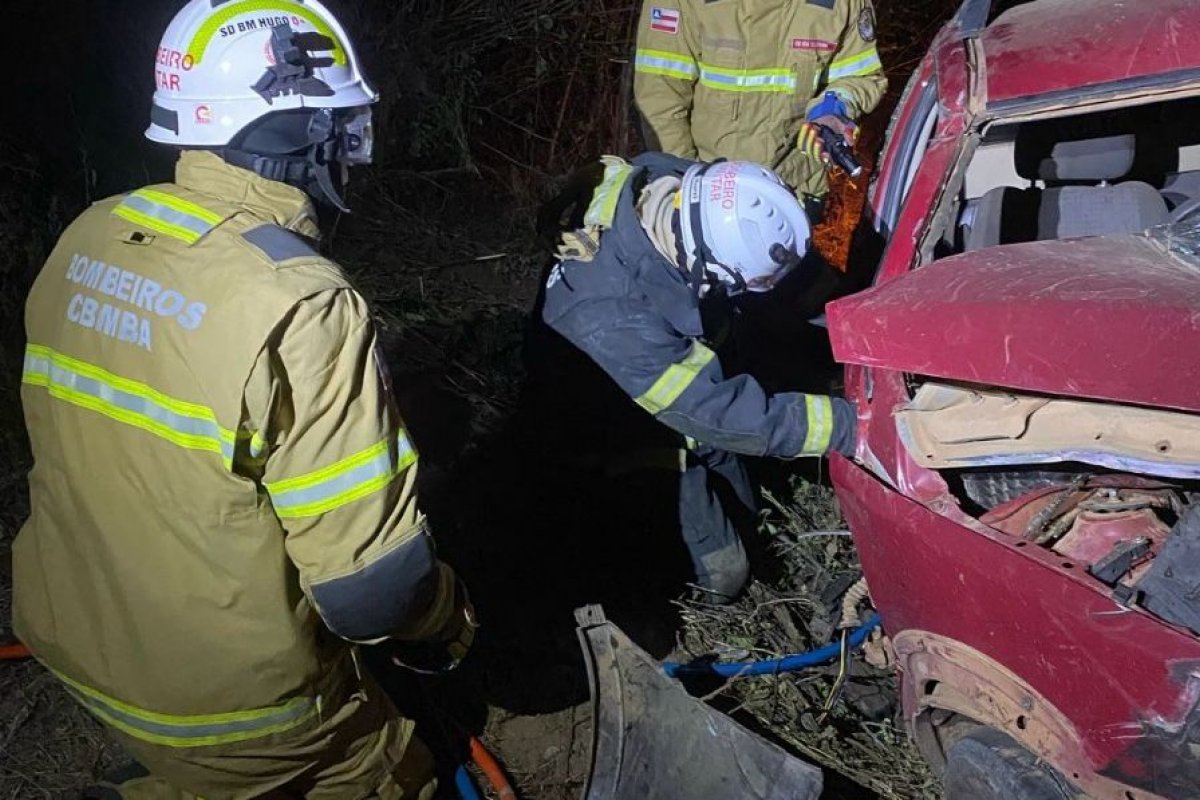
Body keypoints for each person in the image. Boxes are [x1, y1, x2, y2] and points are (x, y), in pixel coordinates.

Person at [12, 2, 473, 797]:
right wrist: (446, 624)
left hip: (75, 642)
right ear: (297, 134)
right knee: (389, 777)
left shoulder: (90, 236)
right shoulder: (300, 302)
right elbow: (372, 594)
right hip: (234, 707)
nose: (356, 159)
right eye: (346, 131)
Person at [538, 153, 857, 603]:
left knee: (745, 504)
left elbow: (797, 285)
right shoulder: (609, 315)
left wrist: (862, 327)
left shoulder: (686, 189)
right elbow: (714, 410)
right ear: (705, 267)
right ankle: (661, 597)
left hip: (671, 375)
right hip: (618, 424)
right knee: (726, 572)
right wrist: (852, 427)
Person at [633, 0, 887, 218]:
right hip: (705, 197)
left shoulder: (840, 4)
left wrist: (832, 108)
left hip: (795, 199)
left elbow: (861, 76)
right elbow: (661, 104)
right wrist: (690, 188)